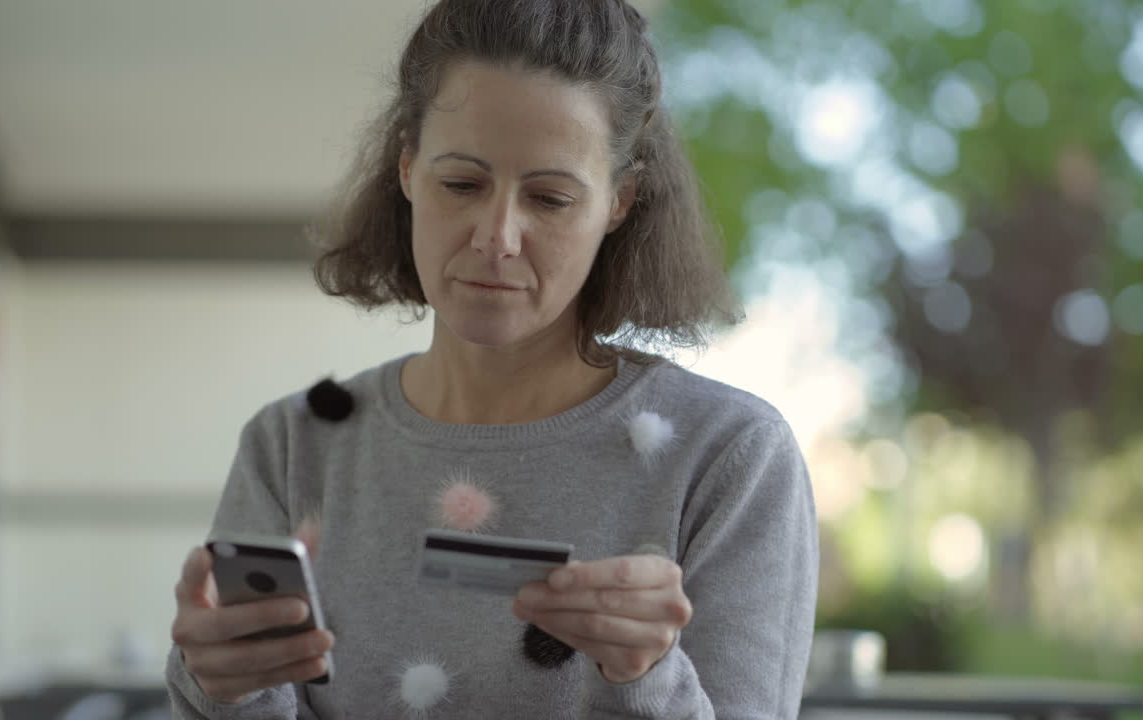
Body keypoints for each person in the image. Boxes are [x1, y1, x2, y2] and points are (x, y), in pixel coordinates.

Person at [165, 0, 818, 717]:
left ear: (619, 202)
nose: (497, 236)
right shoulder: (293, 445)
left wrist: (647, 675)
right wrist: (218, 685)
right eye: (462, 185)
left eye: (550, 197)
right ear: (406, 166)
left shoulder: (728, 458)